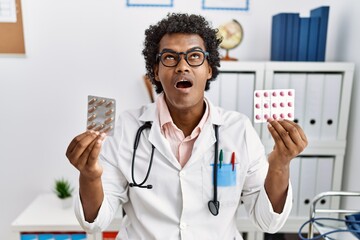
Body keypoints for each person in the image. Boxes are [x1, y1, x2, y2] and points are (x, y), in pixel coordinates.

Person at [66, 13, 308, 240]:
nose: (183, 66)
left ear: (209, 69)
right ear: (156, 72)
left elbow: (268, 223)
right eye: (170, 57)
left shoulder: (239, 130)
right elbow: (95, 223)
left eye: (194, 56)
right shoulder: (127, 128)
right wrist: (89, 177)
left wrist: (279, 165)